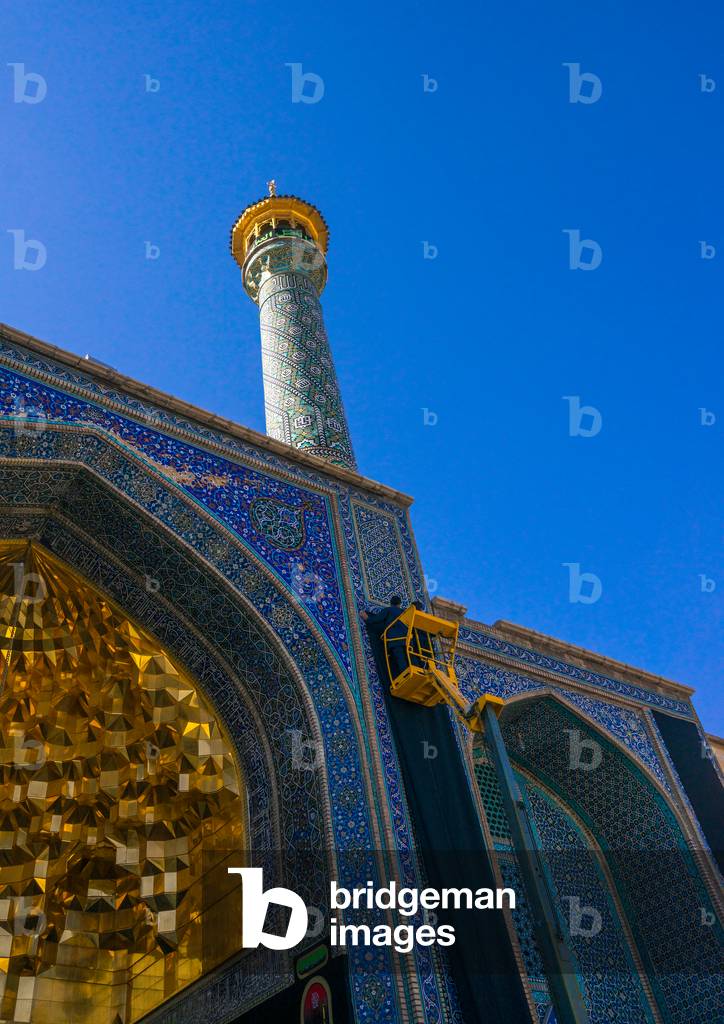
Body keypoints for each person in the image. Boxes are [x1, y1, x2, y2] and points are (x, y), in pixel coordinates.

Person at [361, 595, 409, 680]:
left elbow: (376, 620)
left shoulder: (388, 610)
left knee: (398, 659)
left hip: (394, 641)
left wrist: (367, 618)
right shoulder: (405, 613)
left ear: (391, 603)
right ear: (399, 604)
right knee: (406, 658)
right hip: (407, 641)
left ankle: (405, 677)